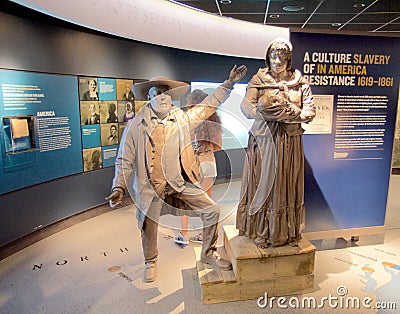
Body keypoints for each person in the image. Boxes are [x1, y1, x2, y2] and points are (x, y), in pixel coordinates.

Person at [106, 64, 247, 283]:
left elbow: (208, 106)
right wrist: (119, 186)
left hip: (180, 183)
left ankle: (208, 253)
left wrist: (228, 84)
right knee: (147, 224)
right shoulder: (136, 126)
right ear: (149, 98)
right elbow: (123, 159)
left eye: (165, 93)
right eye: (156, 93)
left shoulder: (182, 118)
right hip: (150, 186)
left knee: (212, 210)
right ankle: (150, 261)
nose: (162, 97)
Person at [236, 39, 315, 249]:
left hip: (289, 142)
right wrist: (264, 113)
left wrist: (289, 111)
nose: (277, 61)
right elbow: (246, 106)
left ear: (288, 60)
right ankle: (261, 231)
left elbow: (310, 112)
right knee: (264, 183)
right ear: (267, 57)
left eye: (281, 57)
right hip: (264, 140)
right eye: (273, 56)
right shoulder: (258, 79)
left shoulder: (300, 82)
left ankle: (287, 233)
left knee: (286, 184)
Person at [174, 89, 223, 246]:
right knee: (206, 204)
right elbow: (218, 146)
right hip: (210, 164)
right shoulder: (214, 122)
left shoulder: (191, 122)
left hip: (194, 166)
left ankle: (184, 235)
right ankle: (205, 236)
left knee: (186, 201)